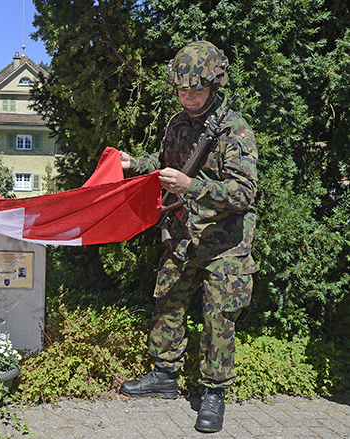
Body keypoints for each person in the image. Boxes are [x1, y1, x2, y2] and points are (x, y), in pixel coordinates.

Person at [119, 41, 258, 433]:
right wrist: (135, 164)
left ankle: (213, 393)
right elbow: (167, 167)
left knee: (218, 319)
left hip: (225, 243)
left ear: (214, 85)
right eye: (182, 89)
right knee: (167, 303)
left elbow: (243, 192)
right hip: (182, 236)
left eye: (196, 89)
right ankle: (163, 376)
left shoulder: (235, 129)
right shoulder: (177, 124)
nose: (189, 96)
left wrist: (191, 186)